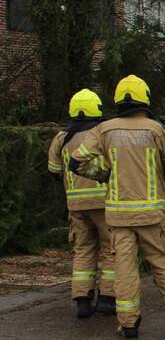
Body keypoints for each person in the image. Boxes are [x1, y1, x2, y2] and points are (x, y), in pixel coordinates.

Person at [70, 75, 165, 338]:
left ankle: (128, 324)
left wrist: (102, 174)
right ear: (145, 99)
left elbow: (76, 162)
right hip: (151, 215)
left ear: (118, 99)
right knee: (162, 262)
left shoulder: (104, 130)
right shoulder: (156, 129)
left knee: (124, 269)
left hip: (119, 216)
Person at [46, 89, 116, 318]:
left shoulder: (61, 137)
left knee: (83, 249)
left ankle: (82, 300)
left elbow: (53, 169)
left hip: (76, 204)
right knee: (111, 249)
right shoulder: (102, 133)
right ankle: (107, 298)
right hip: (104, 202)